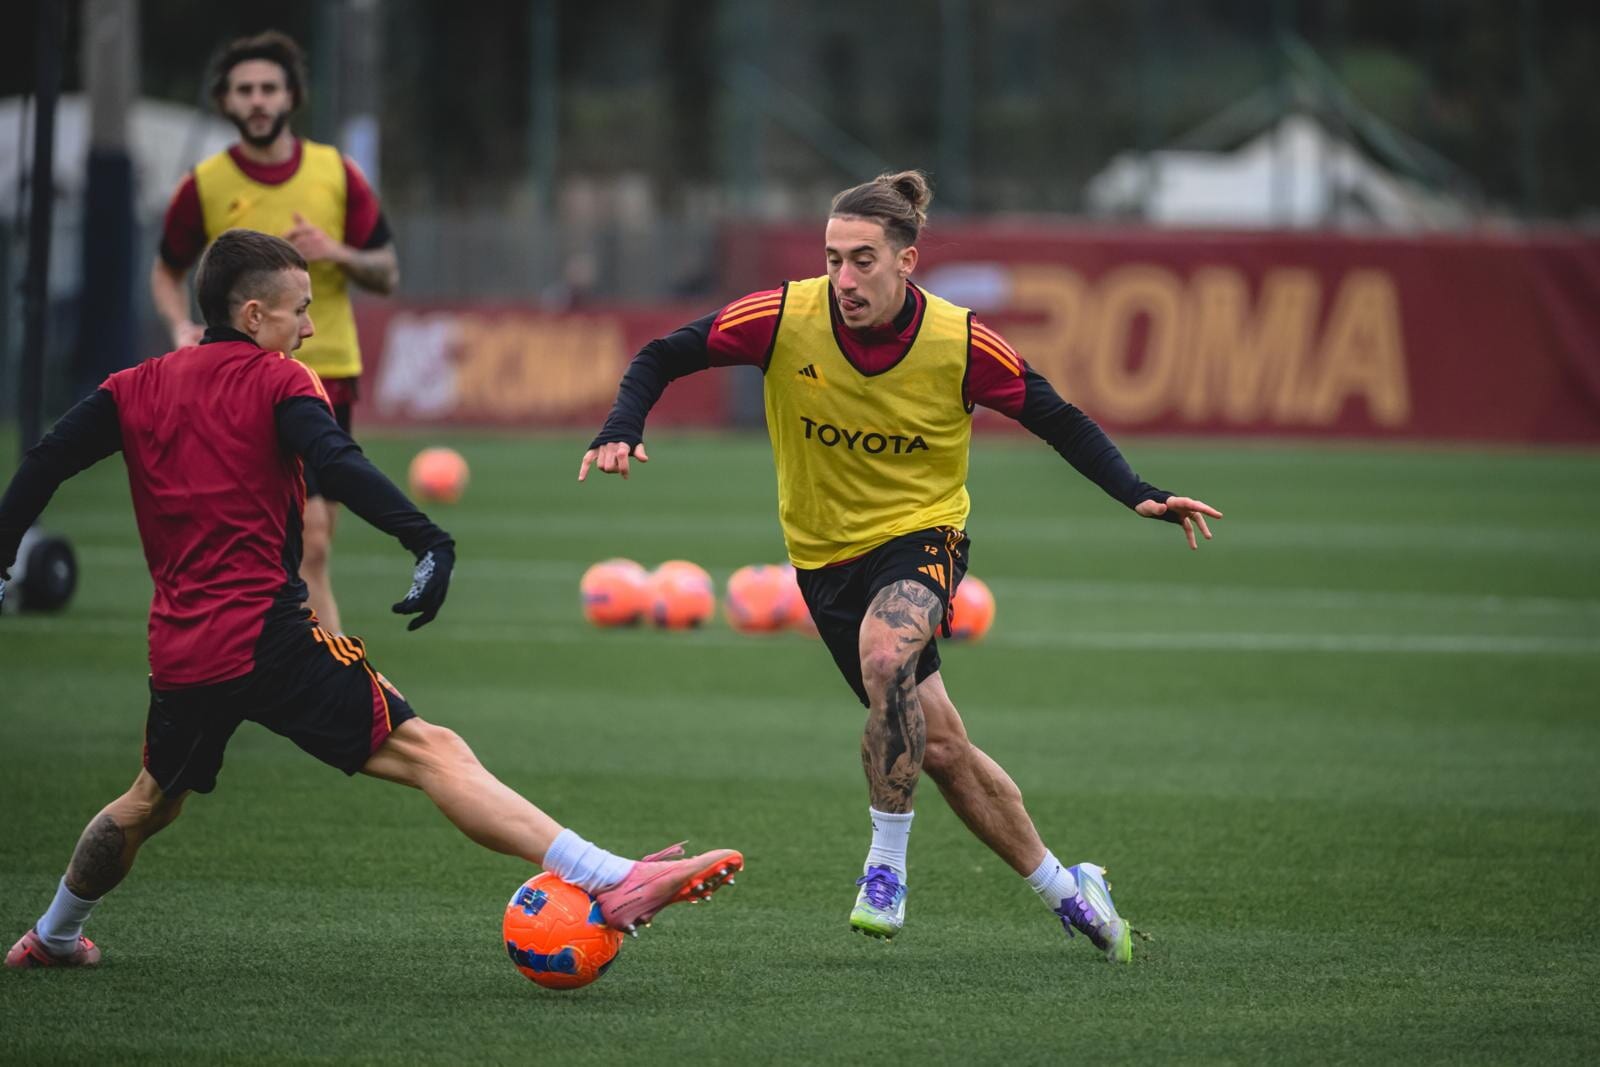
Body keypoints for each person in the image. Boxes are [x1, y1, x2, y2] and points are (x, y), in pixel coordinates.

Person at [3, 229, 741, 970]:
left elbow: (46, 460)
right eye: (300, 309)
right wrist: (426, 539)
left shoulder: (132, 386)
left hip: (181, 649)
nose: (310, 327)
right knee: (432, 750)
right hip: (267, 637)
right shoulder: (279, 380)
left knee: (150, 801)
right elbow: (336, 458)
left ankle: (54, 935)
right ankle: (610, 876)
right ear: (253, 314)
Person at [580, 171, 1221, 962]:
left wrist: (1139, 492)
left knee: (886, 655)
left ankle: (885, 867)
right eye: (832, 259)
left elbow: (1056, 416)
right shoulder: (783, 317)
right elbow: (662, 353)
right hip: (823, 558)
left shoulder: (960, 342)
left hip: (924, 536)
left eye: (863, 260)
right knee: (941, 748)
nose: (844, 279)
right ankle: (1070, 887)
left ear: (906, 261)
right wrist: (621, 423)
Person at [151, 30, 397, 636]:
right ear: (226, 101)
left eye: (268, 88)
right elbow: (167, 269)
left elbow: (387, 271)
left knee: (315, 540)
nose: (257, 100)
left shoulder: (335, 173)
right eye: (245, 90)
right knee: (279, 542)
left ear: (291, 97)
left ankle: (317, 665)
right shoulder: (205, 183)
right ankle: (297, 663)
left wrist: (337, 251)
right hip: (234, 380)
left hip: (324, 374)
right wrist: (178, 325)